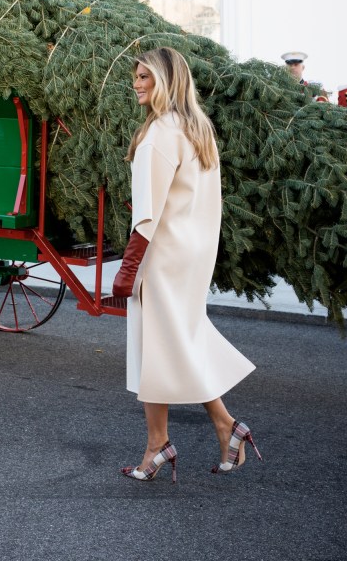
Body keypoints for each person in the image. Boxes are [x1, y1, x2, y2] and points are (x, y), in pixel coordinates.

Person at [112, 47, 260, 482]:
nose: (137, 84)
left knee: (155, 347)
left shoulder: (158, 134)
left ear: (167, 81)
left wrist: (127, 270)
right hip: (192, 254)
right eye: (136, 76)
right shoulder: (198, 129)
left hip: (160, 255)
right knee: (174, 343)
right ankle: (223, 427)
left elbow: (146, 213)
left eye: (146, 77)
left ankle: (162, 444)